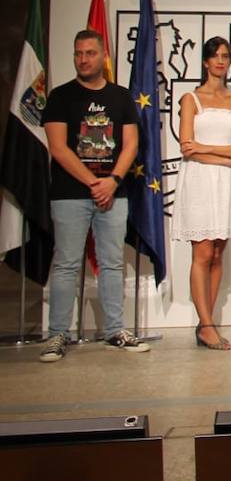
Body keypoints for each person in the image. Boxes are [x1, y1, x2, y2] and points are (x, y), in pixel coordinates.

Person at [38, 30, 149, 362]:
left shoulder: (120, 97)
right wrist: (93, 182)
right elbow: (58, 148)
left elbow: (131, 144)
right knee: (67, 264)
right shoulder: (60, 96)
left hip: (114, 192)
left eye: (89, 53)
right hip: (71, 194)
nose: (82, 59)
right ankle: (58, 334)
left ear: (103, 57)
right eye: (78, 53)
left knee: (113, 264)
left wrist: (113, 180)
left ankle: (114, 330)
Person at [171, 36, 231, 351]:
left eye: (226, 56)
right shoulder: (191, 98)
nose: (221, 61)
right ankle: (205, 324)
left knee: (218, 253)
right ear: (205, 61)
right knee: (202, 253)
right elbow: (188, 148)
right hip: (201, 180)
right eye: (215, 56)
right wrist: (223, 155)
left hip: (229, 181)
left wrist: (210, 149)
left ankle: (208, 322)